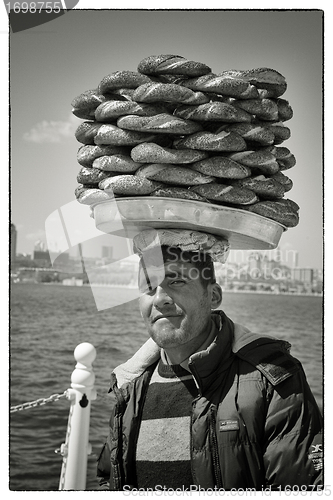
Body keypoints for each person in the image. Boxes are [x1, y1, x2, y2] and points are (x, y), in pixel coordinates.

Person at [97, 229, 323, 491]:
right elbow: (108, 478)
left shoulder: (272, 380)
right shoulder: (130, 386)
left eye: (177, 281)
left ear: (213, 296)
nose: (159, 299)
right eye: (148, 287)